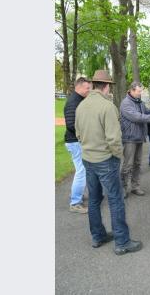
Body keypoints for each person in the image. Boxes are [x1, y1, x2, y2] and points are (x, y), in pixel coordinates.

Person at [75, 70, 142, 255]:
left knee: (95, 200)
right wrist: (117, 155)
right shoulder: (107, 107)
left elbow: (78, 133)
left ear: (94, 85)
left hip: (88, 159)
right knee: (115, 200)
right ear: (106, 86)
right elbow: (114, 139)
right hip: (105, 160)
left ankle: (98, 236)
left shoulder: (82, 105)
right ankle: (122, 242)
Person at [119, 82, 150, 197]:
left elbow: (148, 112)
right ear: (132, 90)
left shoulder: (139, 102)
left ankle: (135, 186)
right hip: (129, 138)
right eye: (139, 91)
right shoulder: (126, 103)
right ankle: (123, 188)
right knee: (128, 165)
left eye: (141, 91)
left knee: (137, 163)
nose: (140, 93)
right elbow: (136, 117)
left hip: (139, 137)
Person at [63, 77, 91, 214]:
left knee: (81, 170)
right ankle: (75, 203)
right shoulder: (73, 102)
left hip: (76, 141)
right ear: (79, 87)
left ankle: (76, 195)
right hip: (75, 142)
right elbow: (71, 124)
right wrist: (85, 135)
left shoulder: (79, 100)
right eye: (87, 88)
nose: (89, 90)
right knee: (82, 171)